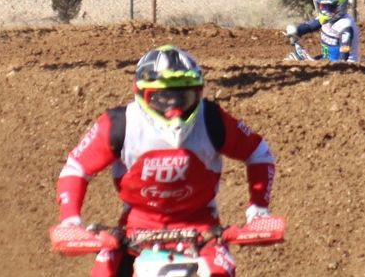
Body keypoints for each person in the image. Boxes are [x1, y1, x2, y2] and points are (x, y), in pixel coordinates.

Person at [54, 45, 275, 277]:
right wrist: (70, 220)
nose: (174, 108)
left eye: (183, 97)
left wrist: (259, 210)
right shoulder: (120, 124)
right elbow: (77, 167)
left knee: (219, 272)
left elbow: (259, 154)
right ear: (143, 94)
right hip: (134, 232)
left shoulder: (211, 119)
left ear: (198, 93)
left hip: (202, 231)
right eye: (163, 97)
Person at [285, 0, 361, 61]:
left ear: (340, 6)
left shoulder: (346, 25)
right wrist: (297, 31)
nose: (325, 10)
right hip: (327, 59)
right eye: (323, 6)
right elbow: (311, 26)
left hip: (345, 66)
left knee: (296, 60)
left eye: (329, 7)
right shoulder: (327, 18)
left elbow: (344, 54)